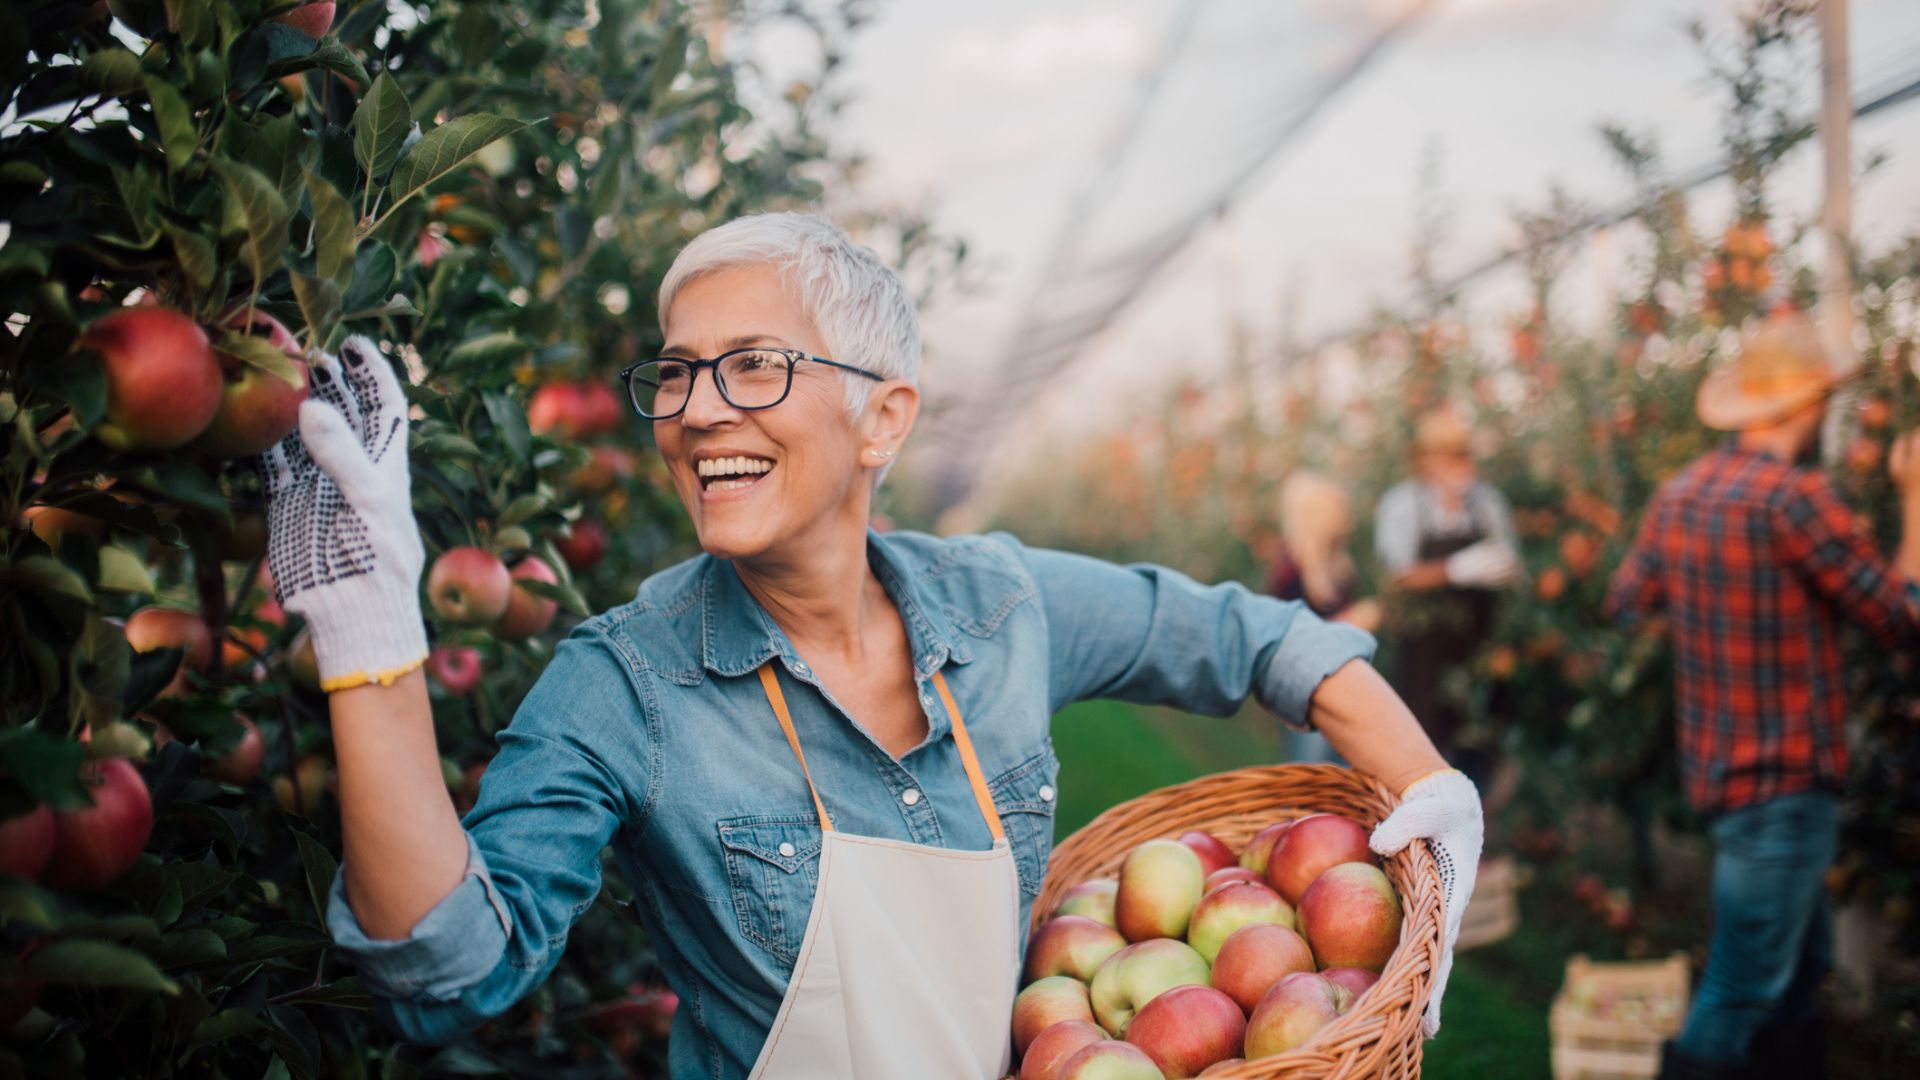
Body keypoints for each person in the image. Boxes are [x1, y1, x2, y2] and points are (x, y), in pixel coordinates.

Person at [260, 213, 1485, 1079]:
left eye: (753, 366)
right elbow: (450, 971)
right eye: (678, 375)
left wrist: (1430, 788)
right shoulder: (628, 683)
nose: (697, 412)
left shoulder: (1001, 607)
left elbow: (1261, 639)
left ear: (883, 416)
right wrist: (372, 645)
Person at [1606, 312, 1920, 1080]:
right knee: (1742, 987)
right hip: (1785, 783)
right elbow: (1900, 618)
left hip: (1720, 773)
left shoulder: (1682, 494)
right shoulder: (1794, 500)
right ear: (1801, 406)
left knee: (1795, 971)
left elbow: (1624, 601)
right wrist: (1913, 500)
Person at [1373, 408, 1520, 784]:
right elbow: (1398, 577)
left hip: (1477, 648)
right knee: (1422, 747)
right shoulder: (1403, 505)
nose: (1461, 465)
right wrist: (1457, 569)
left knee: (1478, 746)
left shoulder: (1486, 503)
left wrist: (1504, 570)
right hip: (1423, 652)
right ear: (1424, 461)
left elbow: (1511, 562)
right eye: (1451, 456)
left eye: (1465, 455)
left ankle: (1477, 832)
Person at [1266, 469, 1382, 633]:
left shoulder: (1339, 563)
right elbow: (1288, 637)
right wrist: (1350, 622)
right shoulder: (1290, 570)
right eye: (1338, 508)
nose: (1346, 515)